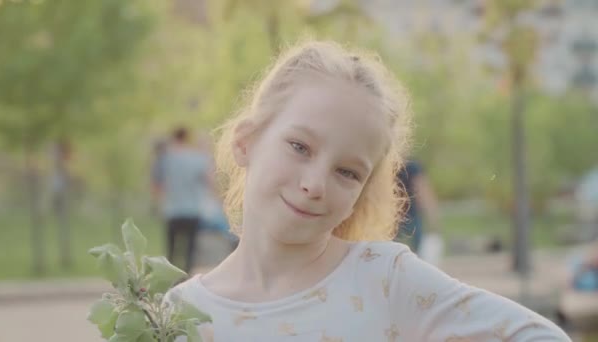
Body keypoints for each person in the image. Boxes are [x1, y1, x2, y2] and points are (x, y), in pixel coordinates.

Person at [166, 40, 570, 341]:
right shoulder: (178, 314)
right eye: (299, 147)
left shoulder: (384, 279)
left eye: (347, 172)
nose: (314, 185)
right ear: (246, 142)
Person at [158, 127, 212, 273]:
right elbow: (208, 181)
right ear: (187, 139)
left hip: (172, 210)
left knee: (171, 250)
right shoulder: (196, 158)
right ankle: (185, 278)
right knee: (190, 251)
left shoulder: (166, 158)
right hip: (192, 209)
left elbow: (158, 184)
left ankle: (169, 279)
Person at [395, 159, 440, 253]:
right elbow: (422, 191)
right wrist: (431, 215)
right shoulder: (413, 167)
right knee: (417, 249)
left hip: (393, 214)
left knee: (393, 247)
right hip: (411, 215)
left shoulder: (389, 165)